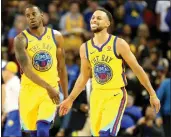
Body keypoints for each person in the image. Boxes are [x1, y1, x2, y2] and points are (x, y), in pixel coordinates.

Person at [59, 8, 160, 136]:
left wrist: (152, 94)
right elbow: (83, 77)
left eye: (99, 18)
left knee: (105, 133)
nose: (94, 19)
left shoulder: (118, 44)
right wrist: (70, 99)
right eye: (93, 18)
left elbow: (138, 70)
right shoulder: (85, 48)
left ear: (107, 24)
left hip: (115, 95)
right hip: (96, 96)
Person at [14, 4, 68, 137]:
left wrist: (66, 97)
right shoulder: (21, 39)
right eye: (28, 15)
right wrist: (48, 87)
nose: (31, 17)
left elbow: (61, 68)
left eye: (34, 14)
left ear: (42, 15)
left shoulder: (57, 36)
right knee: (33, 133)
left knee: (43, 130)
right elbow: (27, 70)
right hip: (29, 91)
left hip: (50, 92)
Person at [2, 61, 21, 136]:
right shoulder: (9, 83)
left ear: (9, 72)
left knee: (10, 134)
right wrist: (4, 114)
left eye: (4, 71)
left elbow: (21, 97)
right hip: (10, 113)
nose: (2, 73)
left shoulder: (15, 82)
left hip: (15, 113)